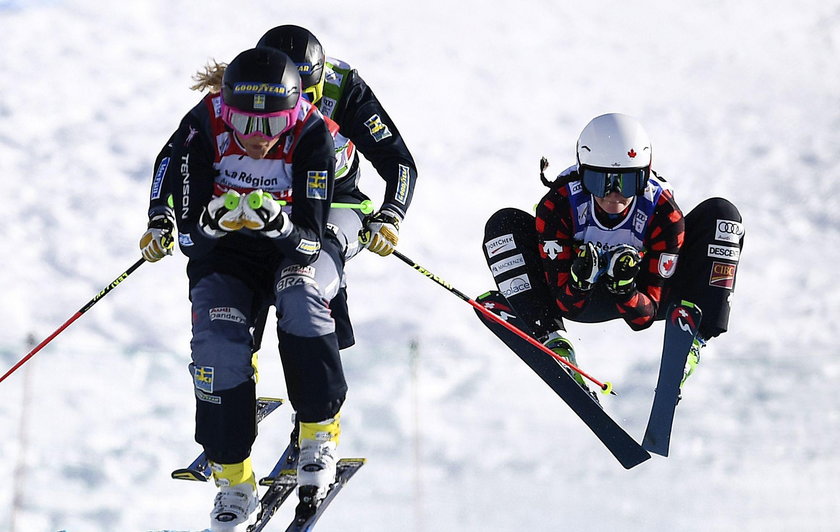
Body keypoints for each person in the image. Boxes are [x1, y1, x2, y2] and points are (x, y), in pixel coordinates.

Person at [143, 47, 346, 531]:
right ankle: (234, 480)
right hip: (226, 253)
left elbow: (310, 242)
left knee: (302, 299)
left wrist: (277, 225)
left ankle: (319, 432)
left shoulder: (315, 133)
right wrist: (189, 223)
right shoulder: (204, 124)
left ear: (292, 113)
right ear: (225, 108)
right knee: (216, 348)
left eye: (273, 126)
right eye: (244, 123)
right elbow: (192, 239)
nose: (257, 140)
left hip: (288, 246)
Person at [142, 24, 418, 351]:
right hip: (253, 199)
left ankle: (324, 374)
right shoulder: (244, 89)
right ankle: (242, 362)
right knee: (236, 267)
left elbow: (396, 158)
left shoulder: (342, 89)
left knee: (311, 272)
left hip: (330, 199)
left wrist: (391, 214)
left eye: (307, 97)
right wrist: (161, 216)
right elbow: (176, 154)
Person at [481, 113, 744, 395]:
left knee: (723, 216)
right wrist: (580, 280)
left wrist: (625, 289)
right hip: (571, 296)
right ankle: (551, 337)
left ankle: (692, 339)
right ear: (582, 174)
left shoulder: (664, 213)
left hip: (646, 297)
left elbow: (643, 318)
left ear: (645, 175)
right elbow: (568, 305)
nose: (613, 195)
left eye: (628, 182)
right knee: (504, 224)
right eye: (599, 181)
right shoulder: (559, 204)